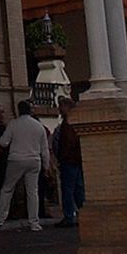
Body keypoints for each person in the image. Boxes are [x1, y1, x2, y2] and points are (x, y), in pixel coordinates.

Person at [0, 99, 51, 231]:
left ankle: (0, 219)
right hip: (34, 160)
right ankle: (34, 222)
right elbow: (45, 149)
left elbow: (3, 142)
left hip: (16, 159)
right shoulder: (38, 126)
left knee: (7, 189)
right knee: (32, 192)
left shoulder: (13, 124)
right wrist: (46, 166)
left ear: (18, 110)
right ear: (30, 110)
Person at [52, 96, 85, 228]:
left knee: (68, 189)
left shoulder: (68, 123)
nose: (59, 109)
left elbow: (68, 143)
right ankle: (81, 213)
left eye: (61, 106)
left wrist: (62, 158)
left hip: (69, 160)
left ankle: (69, 216)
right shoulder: (75, 121)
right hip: (76, 160)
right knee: (78, 189)